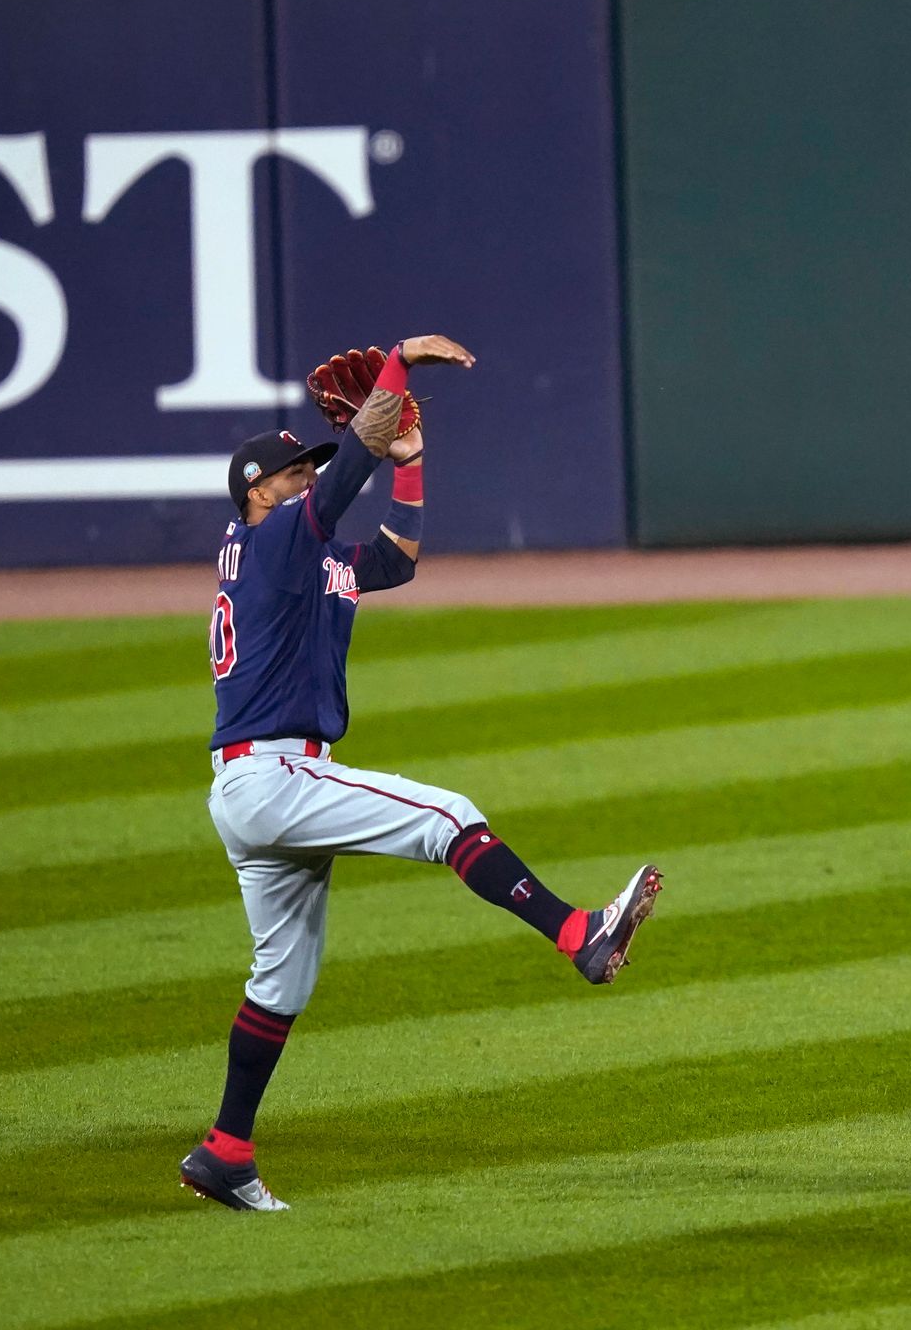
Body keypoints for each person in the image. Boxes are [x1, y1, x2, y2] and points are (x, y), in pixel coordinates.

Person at [180, 334, 662, 1212]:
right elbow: (345, 474)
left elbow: (396, 556)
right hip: (276, 777)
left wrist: (412, 457)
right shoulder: (280, 538)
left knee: (279, 985)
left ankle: (225, 1150)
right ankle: (578, 935)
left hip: (251, 788)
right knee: (448, 816)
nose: (305, 479)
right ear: (257, 492)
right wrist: (397, 365)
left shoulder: (297, 556)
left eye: (307, 472)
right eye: (292, 474)